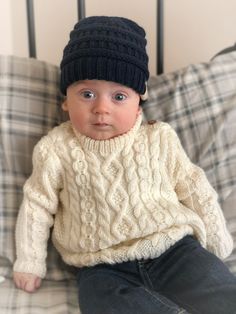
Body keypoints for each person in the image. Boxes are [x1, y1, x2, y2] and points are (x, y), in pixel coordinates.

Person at [13, 16, 236, 314]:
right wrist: (29, 261)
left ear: (138, 102)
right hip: (100, 265)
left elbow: (192, 182)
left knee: (215, 284)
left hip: (173, 249)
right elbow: (37, 205)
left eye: (119, 96)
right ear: (65, 100)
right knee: (100, 300)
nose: (102, 108)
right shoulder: (55, 149)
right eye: (87, 94)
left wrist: (217, 235)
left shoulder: (159, 138)